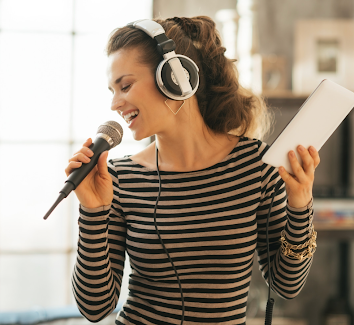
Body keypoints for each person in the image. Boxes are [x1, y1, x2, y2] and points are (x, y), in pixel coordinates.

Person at [67, 16, 320, 325]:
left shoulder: (256, 166)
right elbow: (95, 308)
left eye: (125, 86)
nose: (115, 104)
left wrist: (300, 206)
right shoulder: (119, 178)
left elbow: (286, 285)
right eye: (112, 91)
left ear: (174, 77)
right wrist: (93, 211)